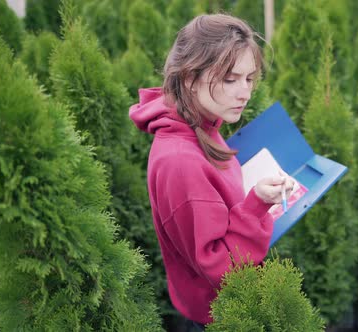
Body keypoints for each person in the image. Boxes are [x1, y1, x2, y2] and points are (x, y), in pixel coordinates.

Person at [129, 14, 294, 329]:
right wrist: (257, 203)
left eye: (249, 78)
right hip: (218, 315)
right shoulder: (180, 162)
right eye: (230, 79)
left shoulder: (201, 125)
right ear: (190, 78)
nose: (244, 92)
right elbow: (221, 268)